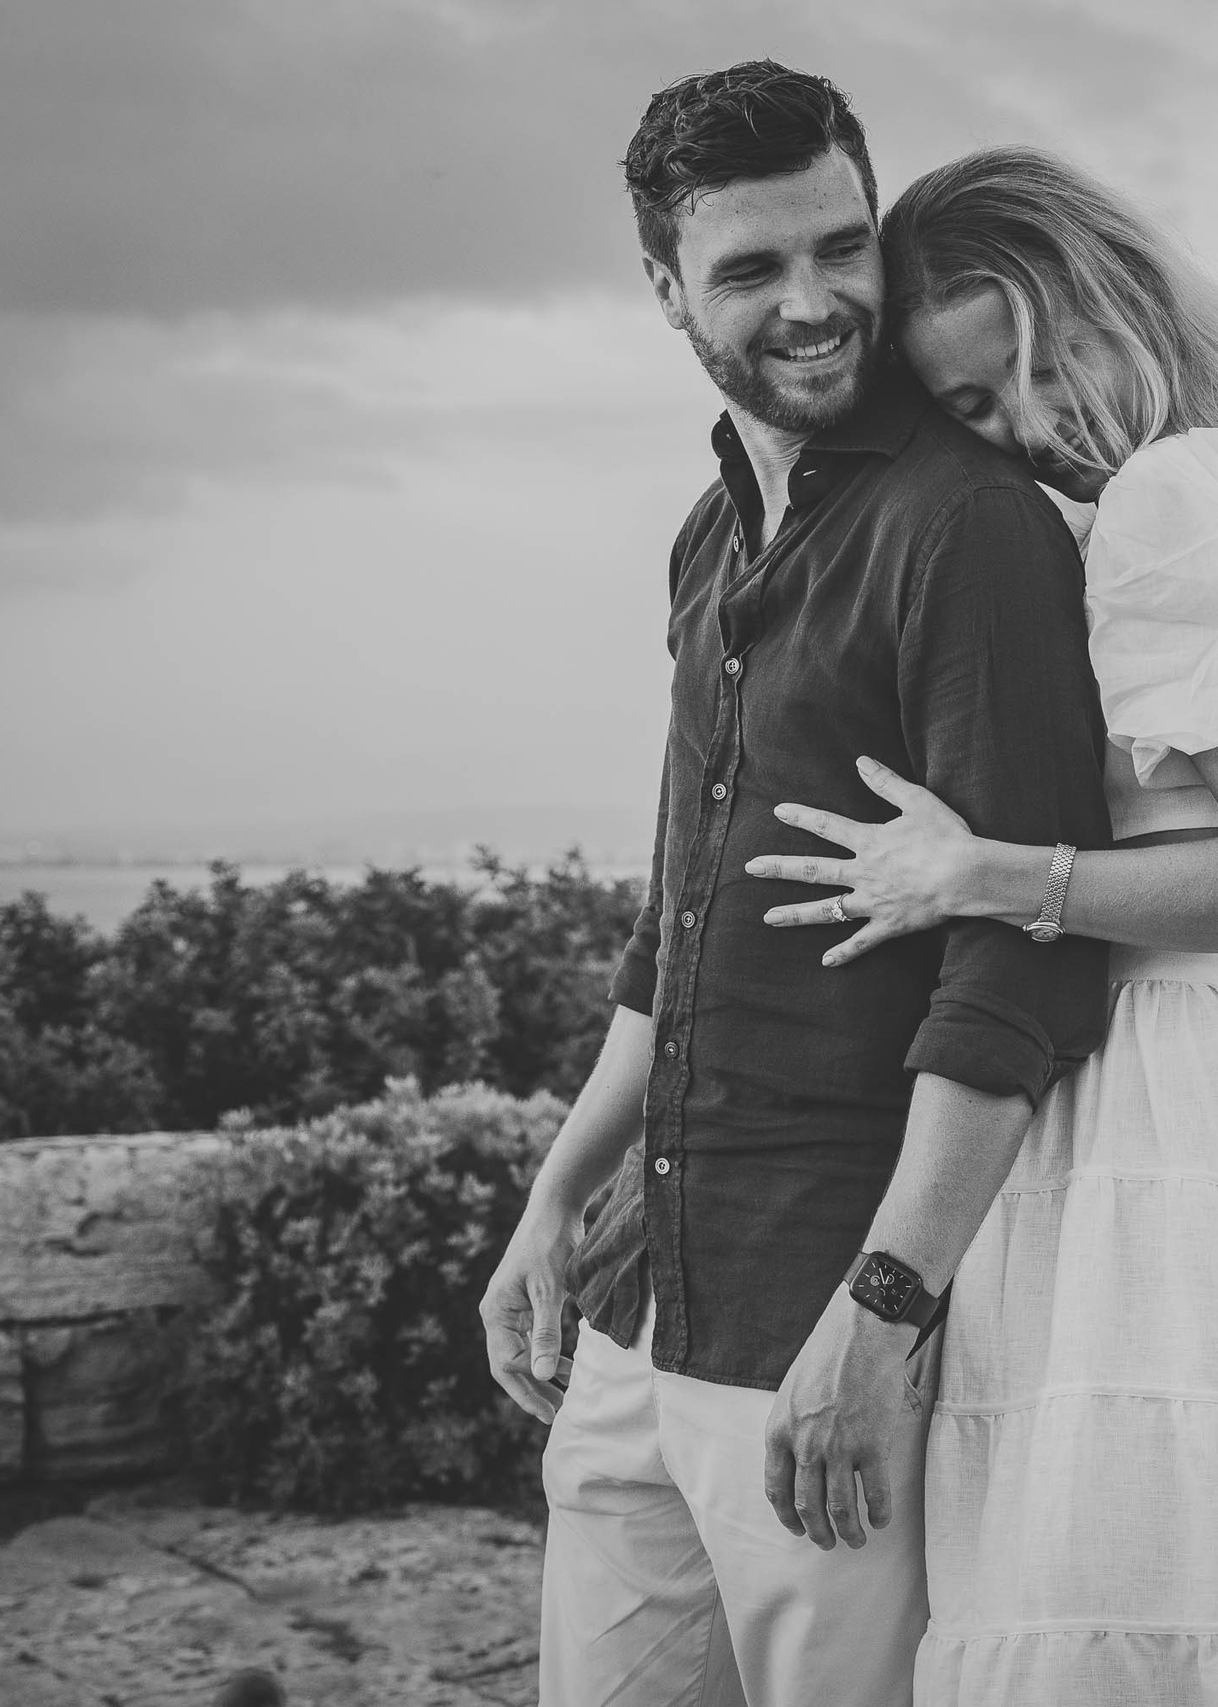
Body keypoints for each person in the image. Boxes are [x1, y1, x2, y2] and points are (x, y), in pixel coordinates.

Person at [745, 146, 1218, 1705]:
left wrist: (991, 875)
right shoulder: (1115, 502)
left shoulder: (1170, 494)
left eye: (1038, 362)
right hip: (1085, 1102)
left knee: (1184, 1570)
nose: (1026, 421)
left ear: (1113, 304)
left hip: (1179, 1104)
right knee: (1115, 1573)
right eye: (970, 406)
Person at [476, 71, 1113, 1707]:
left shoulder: (969, 528)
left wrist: (882, 1316)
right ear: (667, 291)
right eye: (753, 269)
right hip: (643, 1296)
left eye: (843, 248)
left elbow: (1021, 971)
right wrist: (556, 1198)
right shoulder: (708, 535)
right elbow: (678, 921)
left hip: (827, 1326)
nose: (817, 304)